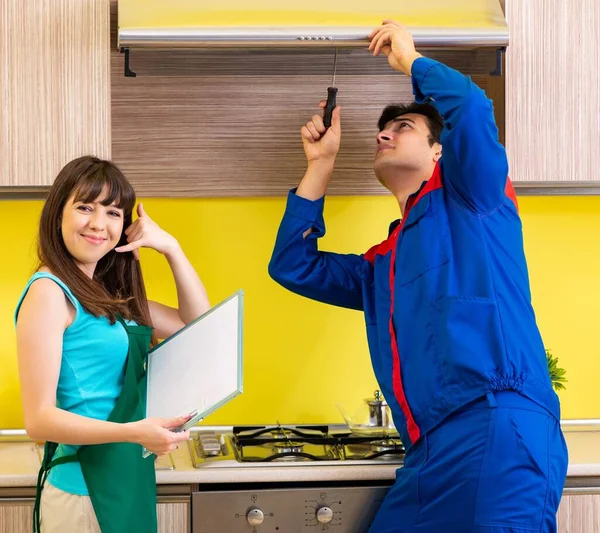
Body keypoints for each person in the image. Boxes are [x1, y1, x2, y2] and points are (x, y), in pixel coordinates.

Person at [268, 20, 568, 532]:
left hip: (496, 431)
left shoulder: (474, 198)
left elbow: (471, 109)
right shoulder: (381, 263)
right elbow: (293, 265)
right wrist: (321, 164)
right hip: (429, 454)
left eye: (402, 126)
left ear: (439, 151)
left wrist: (410, 59)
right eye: (383, 129)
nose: (383, 133)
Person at [15, 156, 210, 533]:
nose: (98, 224)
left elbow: (197, 327)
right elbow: (38, 421)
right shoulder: (49, 292)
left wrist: (172, 248)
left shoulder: (107, 295)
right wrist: (136, 431)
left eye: (113, 213)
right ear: (58, 214)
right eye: (85, 207)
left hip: (128, 474)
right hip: (85, 489)